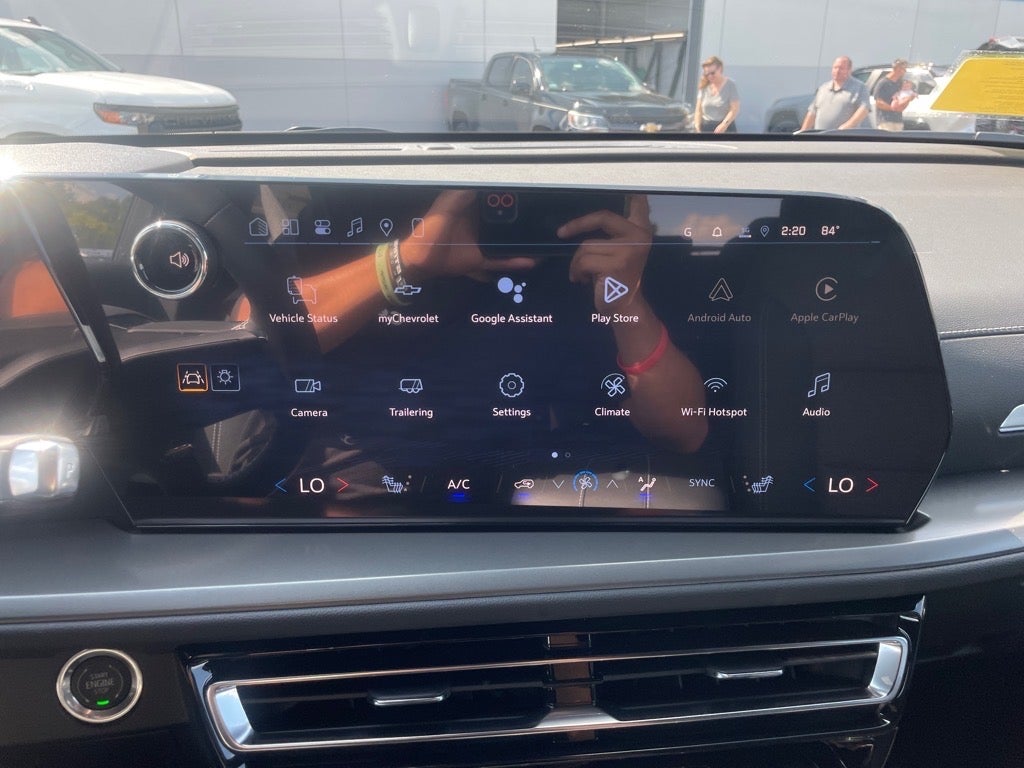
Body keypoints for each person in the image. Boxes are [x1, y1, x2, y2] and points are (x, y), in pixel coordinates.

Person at [800, 55, 870, 131]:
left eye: (841, 68)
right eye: (835, 68)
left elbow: (864, 110)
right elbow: (812, 112)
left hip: (844, 136)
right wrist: (803, 132)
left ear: (849, 70)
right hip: (821, 136)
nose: (837, 71)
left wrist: (847, 126)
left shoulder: (859, 87)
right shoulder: (823, 88)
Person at [694, 56, 740, 133]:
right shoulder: (704, 86)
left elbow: (734, 109)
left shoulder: (730, 85)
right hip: (706, 127)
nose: (710, 76)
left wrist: (724, 125)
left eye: (712, 73)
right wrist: (697, 126)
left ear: (720, 69)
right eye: (707, 74)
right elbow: (698, 110)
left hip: (725, 127)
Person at [872, 58, 916, 131]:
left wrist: (909, 98)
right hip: (885, 121)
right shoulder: (883, 83)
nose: (905, 71)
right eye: (904, 69)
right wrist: (893, 108)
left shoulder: (901, 83)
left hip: (898, 121)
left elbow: (907, 95)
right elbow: (879, 103)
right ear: (898, 68)